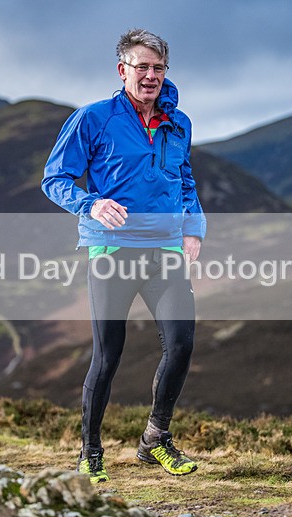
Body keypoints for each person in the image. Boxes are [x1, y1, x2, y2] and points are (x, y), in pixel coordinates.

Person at [42, 28, 206, 483]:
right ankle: (90, 452)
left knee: (181, 344)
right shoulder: (92, 119)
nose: (150, 76)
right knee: (108, 355)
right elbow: (55, 178)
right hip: (112, 252)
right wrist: (90, 203)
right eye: (142, 67)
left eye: (158, 68)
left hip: (165, 251)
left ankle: (155, 440)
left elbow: (185, 181)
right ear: (123, 71)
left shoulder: (180, 123)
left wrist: (193, 228)